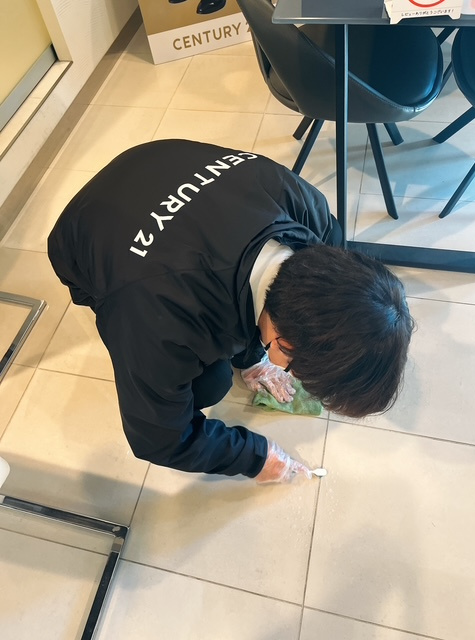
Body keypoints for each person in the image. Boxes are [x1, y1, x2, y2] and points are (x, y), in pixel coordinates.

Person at [48, 139, 414, 483]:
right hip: (87, 228)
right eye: (292, 366)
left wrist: (256, 356)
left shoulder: (314, 217)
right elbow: (159, 438)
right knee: (211, 383)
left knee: (233, 354)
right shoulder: (159, 319)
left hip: (159, 162)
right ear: (282, 342)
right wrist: (255, 457)